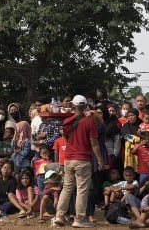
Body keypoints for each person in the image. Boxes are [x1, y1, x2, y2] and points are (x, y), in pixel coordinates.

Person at [52, 94, 106, 228]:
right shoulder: (89, 122)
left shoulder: (67, 122)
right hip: (82, 159)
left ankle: (59, 215)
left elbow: (65, 137)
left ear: (74, 105)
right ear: (85, 106)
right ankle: (80, 219)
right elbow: (94, 144)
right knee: (82, 190)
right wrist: (100, 160)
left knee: (67, 188)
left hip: (68, 159)